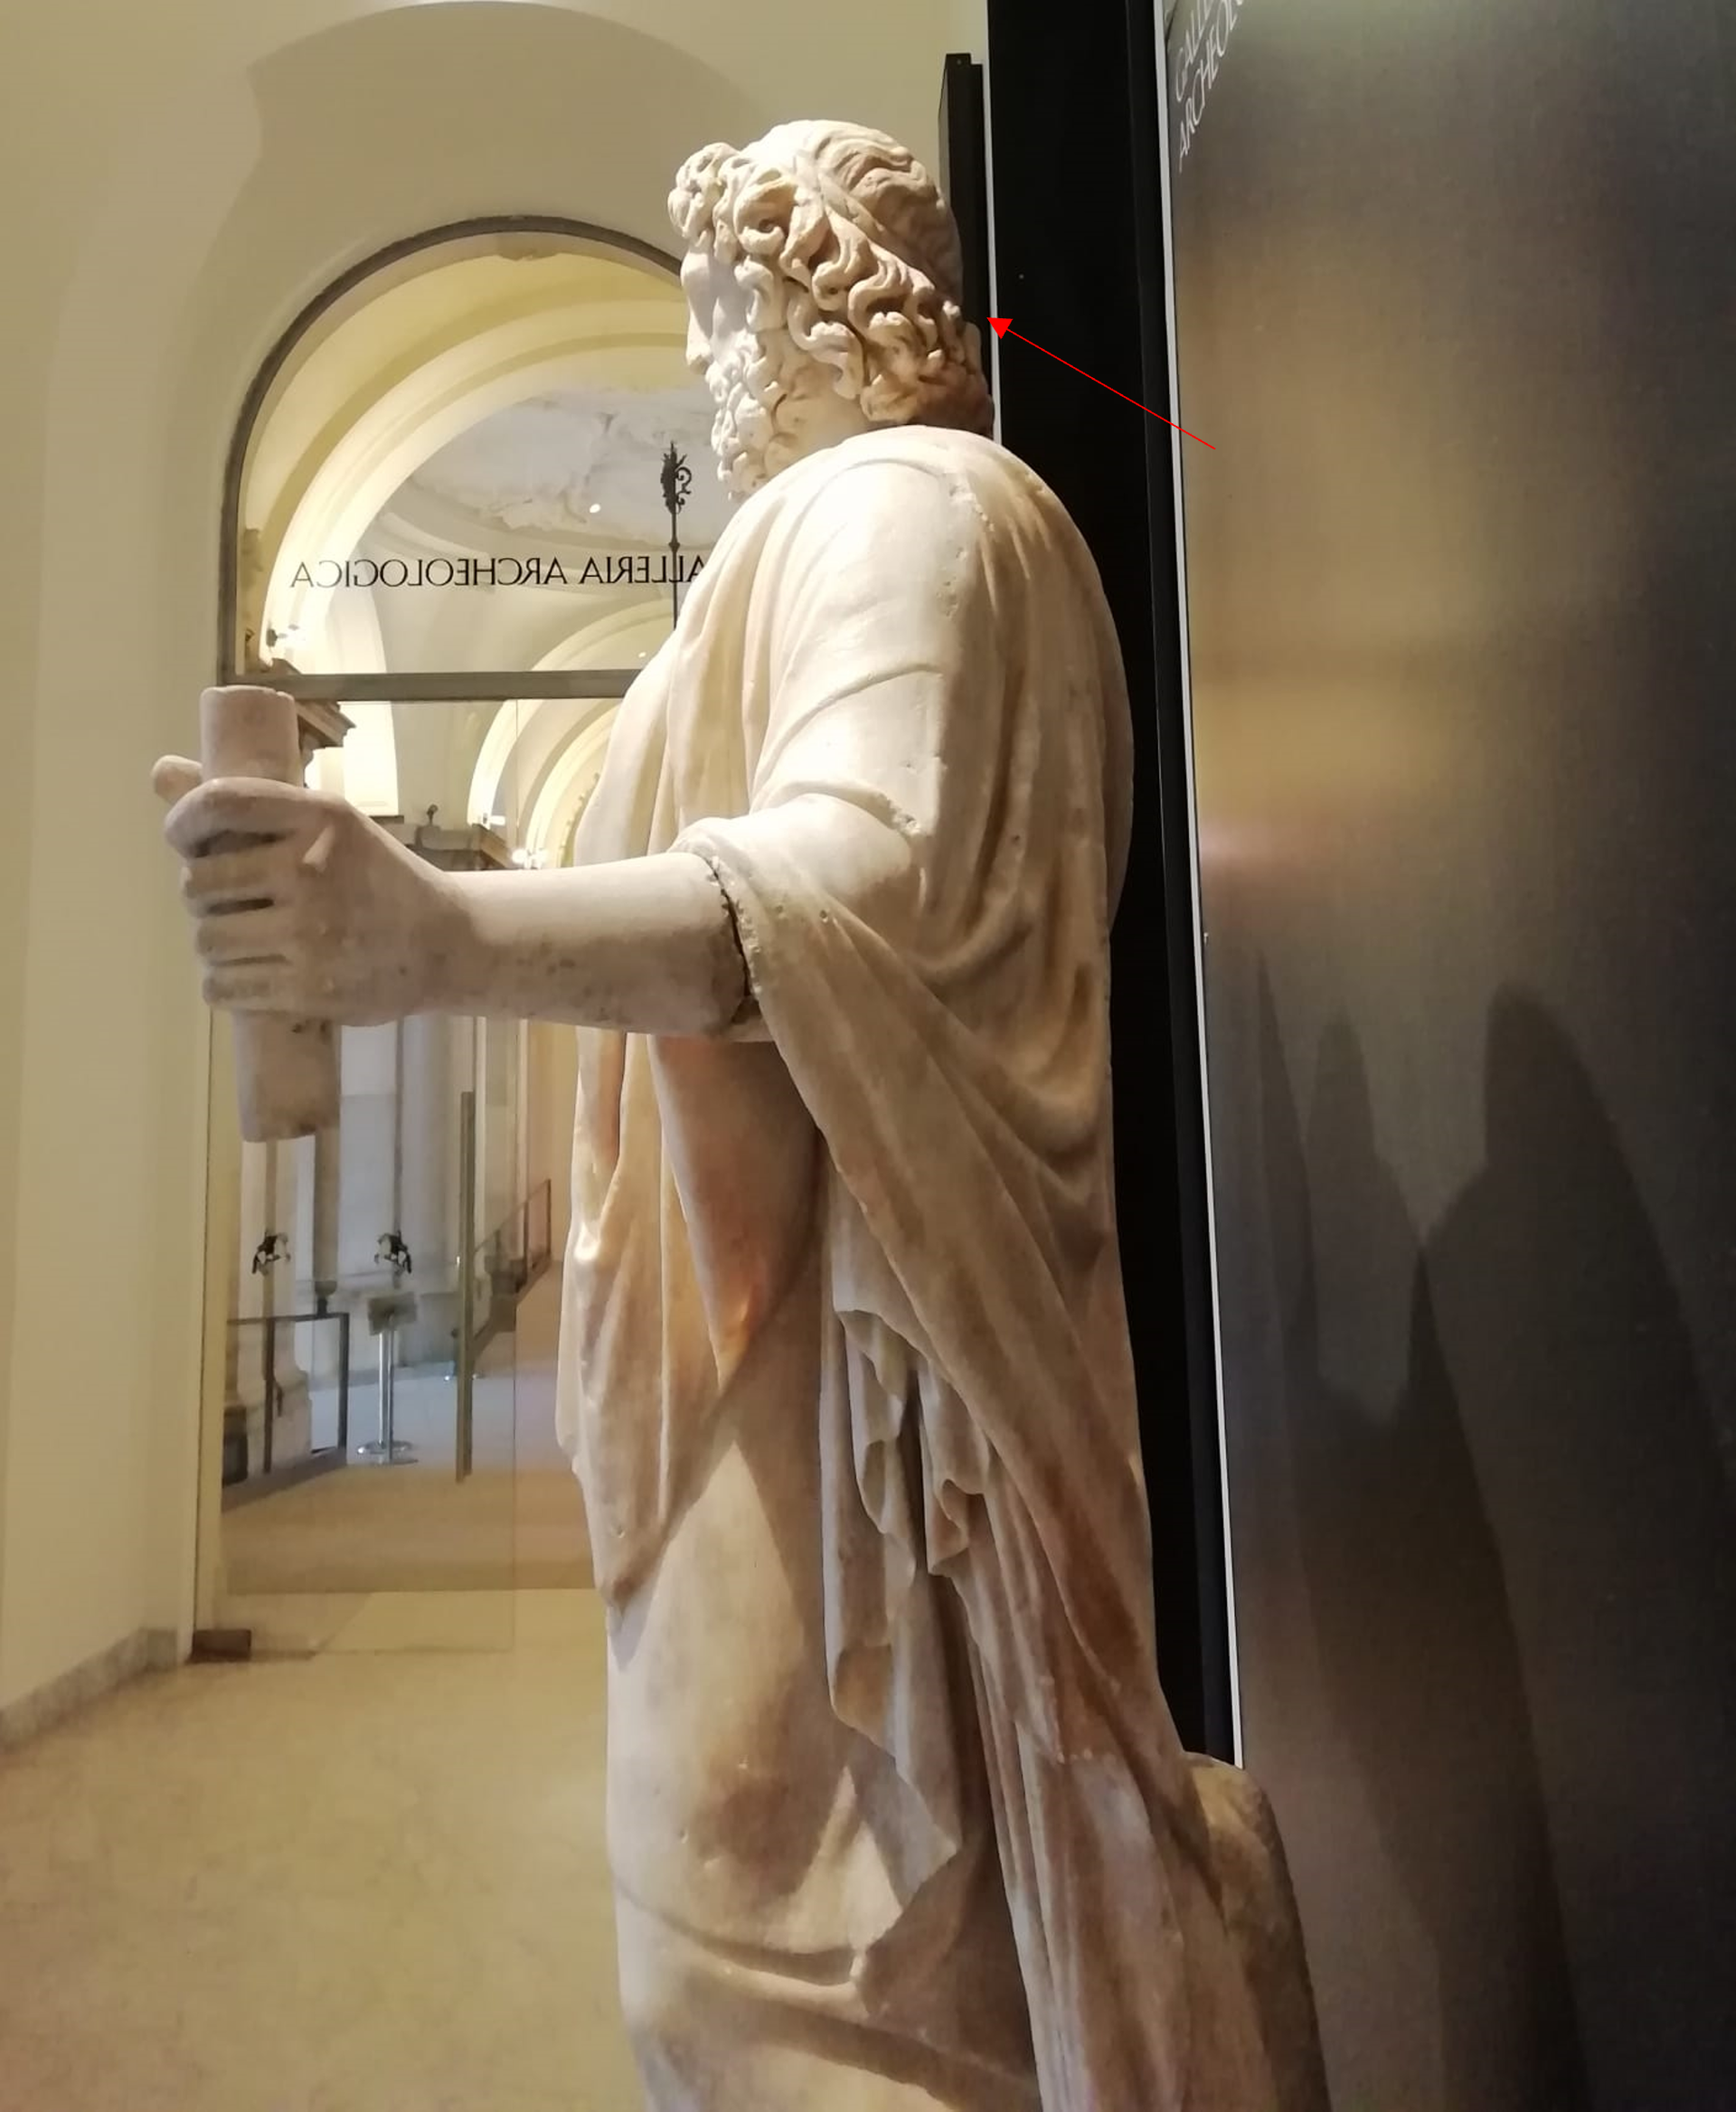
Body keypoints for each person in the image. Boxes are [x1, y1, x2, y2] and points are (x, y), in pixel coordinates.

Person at [156, 120, 1278, 2112]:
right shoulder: (828, 543)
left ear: (823, 296)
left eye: (720, 299)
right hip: (748, 1349)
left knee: (792, 1975)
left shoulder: (908, 512)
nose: (703, 354)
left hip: (847, 1399)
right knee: (742, 1959)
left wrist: (443, 934)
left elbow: (857, 876)